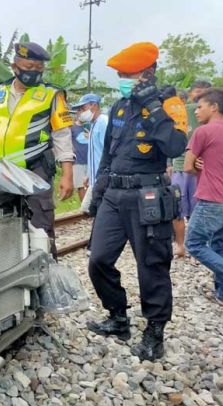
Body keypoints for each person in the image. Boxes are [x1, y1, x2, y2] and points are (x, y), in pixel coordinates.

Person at [86, 42, 187, 361]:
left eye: (127, 74)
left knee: (152, 267)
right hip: (114, 196)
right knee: (98, 259)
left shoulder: (169, 104)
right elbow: (108, 154)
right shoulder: (118, 106)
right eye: (120, 74)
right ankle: (118, 317)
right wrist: (98, 190)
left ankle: (155, 333)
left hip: (147, 196)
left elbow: (174, 146)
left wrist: (153, 108)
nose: (122, 79)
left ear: (148, 73)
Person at [0, 42, 75, 258]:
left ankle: (49, 277)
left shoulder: (51, 95)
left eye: (39, 69)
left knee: (40, 232)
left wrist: (67, 175)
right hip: (0, 172)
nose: (34, 73)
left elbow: (62, 136)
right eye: (29, 67)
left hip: (35, 171)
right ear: (14, 66)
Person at [183, 87, 223, 306]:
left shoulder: (203, 132)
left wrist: (197, 166)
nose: (197, 111)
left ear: (214, 107)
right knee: (218, 246)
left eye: (200, 106)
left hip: (212, 200)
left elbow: (188, 166)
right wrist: (203, 165)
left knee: (195, 244)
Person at [169, 81, 209, 257]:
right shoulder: (178, 113)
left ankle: (188, 244)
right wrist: (169, 163)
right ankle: (183, 245)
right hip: (180, 166)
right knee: (178, 209)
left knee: (193, 209)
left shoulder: (201, 114)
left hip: (197, 169)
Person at [73, 93, 108, 190]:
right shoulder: (93, 124)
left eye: (83, 109)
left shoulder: (103, 123)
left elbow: (107, 152)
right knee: (86, 205)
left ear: (94, 105)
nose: (80, 112)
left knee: (88, 205)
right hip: (94, 181)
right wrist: (89, 175)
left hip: (102, 181)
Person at [70, 116, 89, 202]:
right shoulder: (72, 128)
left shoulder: (90, 127)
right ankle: (84, 208)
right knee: (81, 186)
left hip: (90, 161)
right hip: (77, 161)